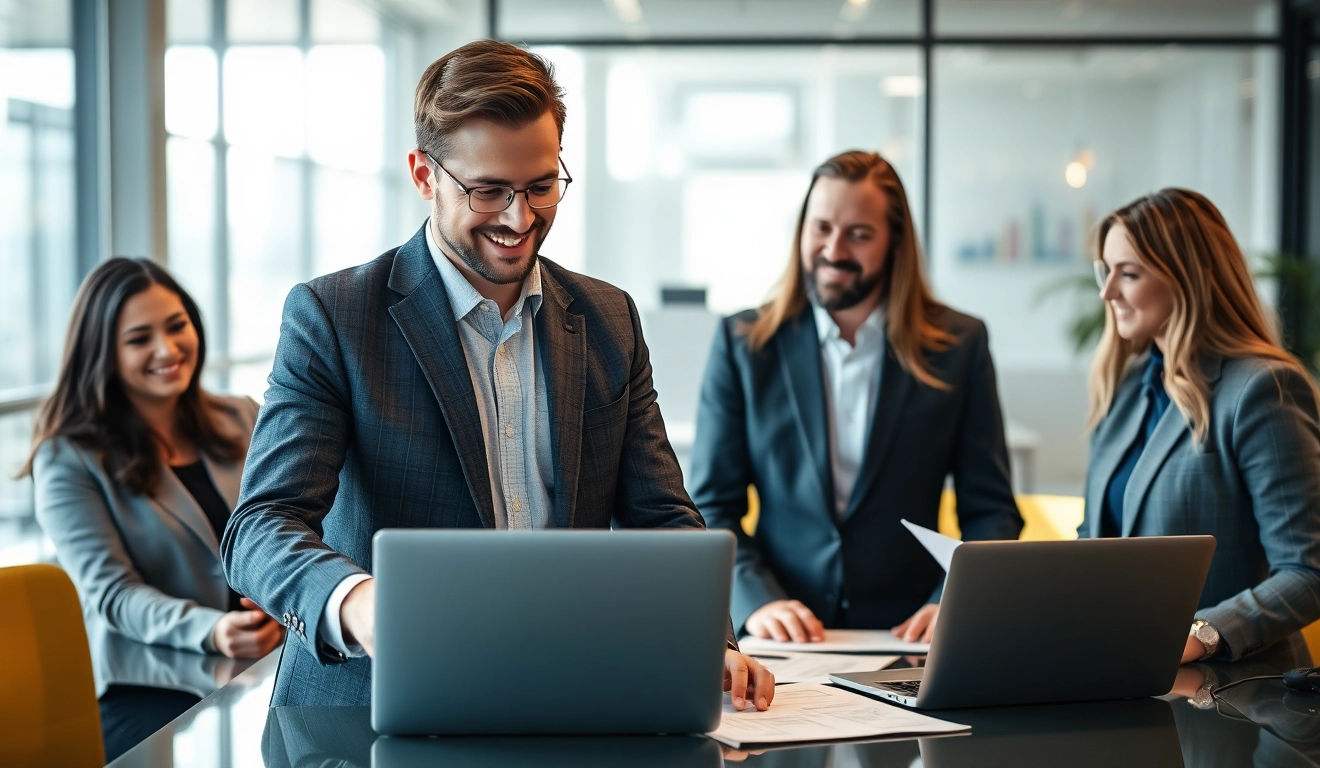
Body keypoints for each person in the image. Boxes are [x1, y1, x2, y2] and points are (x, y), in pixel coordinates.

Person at [221, 39, 774, 710]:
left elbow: (663, 518)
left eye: (542, 186)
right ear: (424, 175)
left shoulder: (608, 319)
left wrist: (706, 639)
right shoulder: (335, 317)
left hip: (566, 697)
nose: (520, 218)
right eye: (489, 191)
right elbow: (261, 525)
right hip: (369, 710)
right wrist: (358, 602)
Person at [691, 150, 1023, 645]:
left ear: (895, 243)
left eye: (859, 234)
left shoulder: (959, 345)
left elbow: (991, 510)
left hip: (912, 637)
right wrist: (756, 600)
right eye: (821, 227)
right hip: (784, 637)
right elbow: (711, 506)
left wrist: (955, 597)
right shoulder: (745, 343)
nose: (834, 249)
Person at [24, 257, 280, 759]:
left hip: (265, 667)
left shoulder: (243, 416)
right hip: (152, 686)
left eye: (176, 325)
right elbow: (114, 594)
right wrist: (212, 631)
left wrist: (286, 604)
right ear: (103, 353)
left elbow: (290, 527)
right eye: (140, 338)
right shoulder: (68, 458)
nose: (168, 349)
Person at [1081, 187, 1320, 663]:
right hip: (1120, 674)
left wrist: (1201, 634)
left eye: (1129, 273)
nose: (1107, 291)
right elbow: (1096, 539)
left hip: (1230, 701)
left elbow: (1308, 574)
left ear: (1187, 280)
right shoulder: (1126, 386)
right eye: (1106, 270)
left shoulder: (1262, 389)